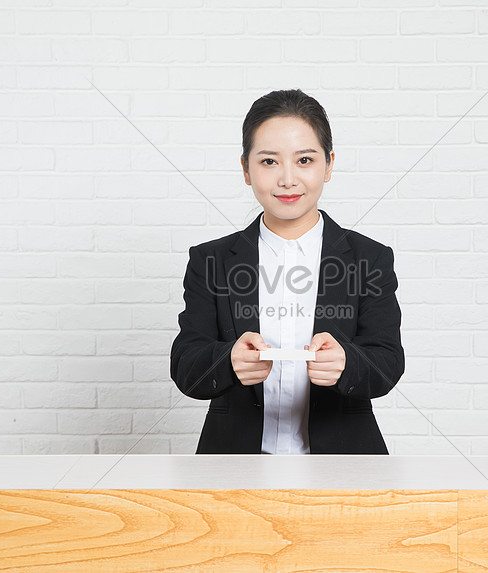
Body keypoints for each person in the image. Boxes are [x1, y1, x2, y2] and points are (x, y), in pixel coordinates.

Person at [170, 88, 404, 454]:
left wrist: (347, 364)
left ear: (328, 165)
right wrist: (229, 361)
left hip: (344, 468)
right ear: (246, 169)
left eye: (305, 160)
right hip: (233, 467)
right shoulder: (211, 260)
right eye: (269, 162)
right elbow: (186, 366)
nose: (288, 179)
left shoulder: (369, 259)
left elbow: (388, 362)